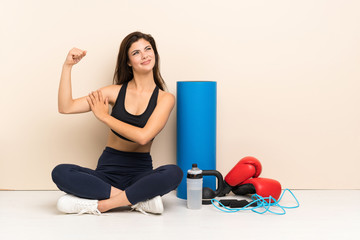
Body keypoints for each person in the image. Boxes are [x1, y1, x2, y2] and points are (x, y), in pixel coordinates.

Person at [52, 32, 183, 215]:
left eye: (148, 49)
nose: (144, 55)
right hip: (106, 174)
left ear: (154, 53)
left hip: (140, 174)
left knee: (174, 172)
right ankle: (136, 200)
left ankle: (102, 205)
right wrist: (67, 66)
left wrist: (105, 117)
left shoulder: (165, 98)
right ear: (128, 62)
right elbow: (66, 107)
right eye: (136, 53)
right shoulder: (114, 92)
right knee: (60, 172)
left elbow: (143, 137)